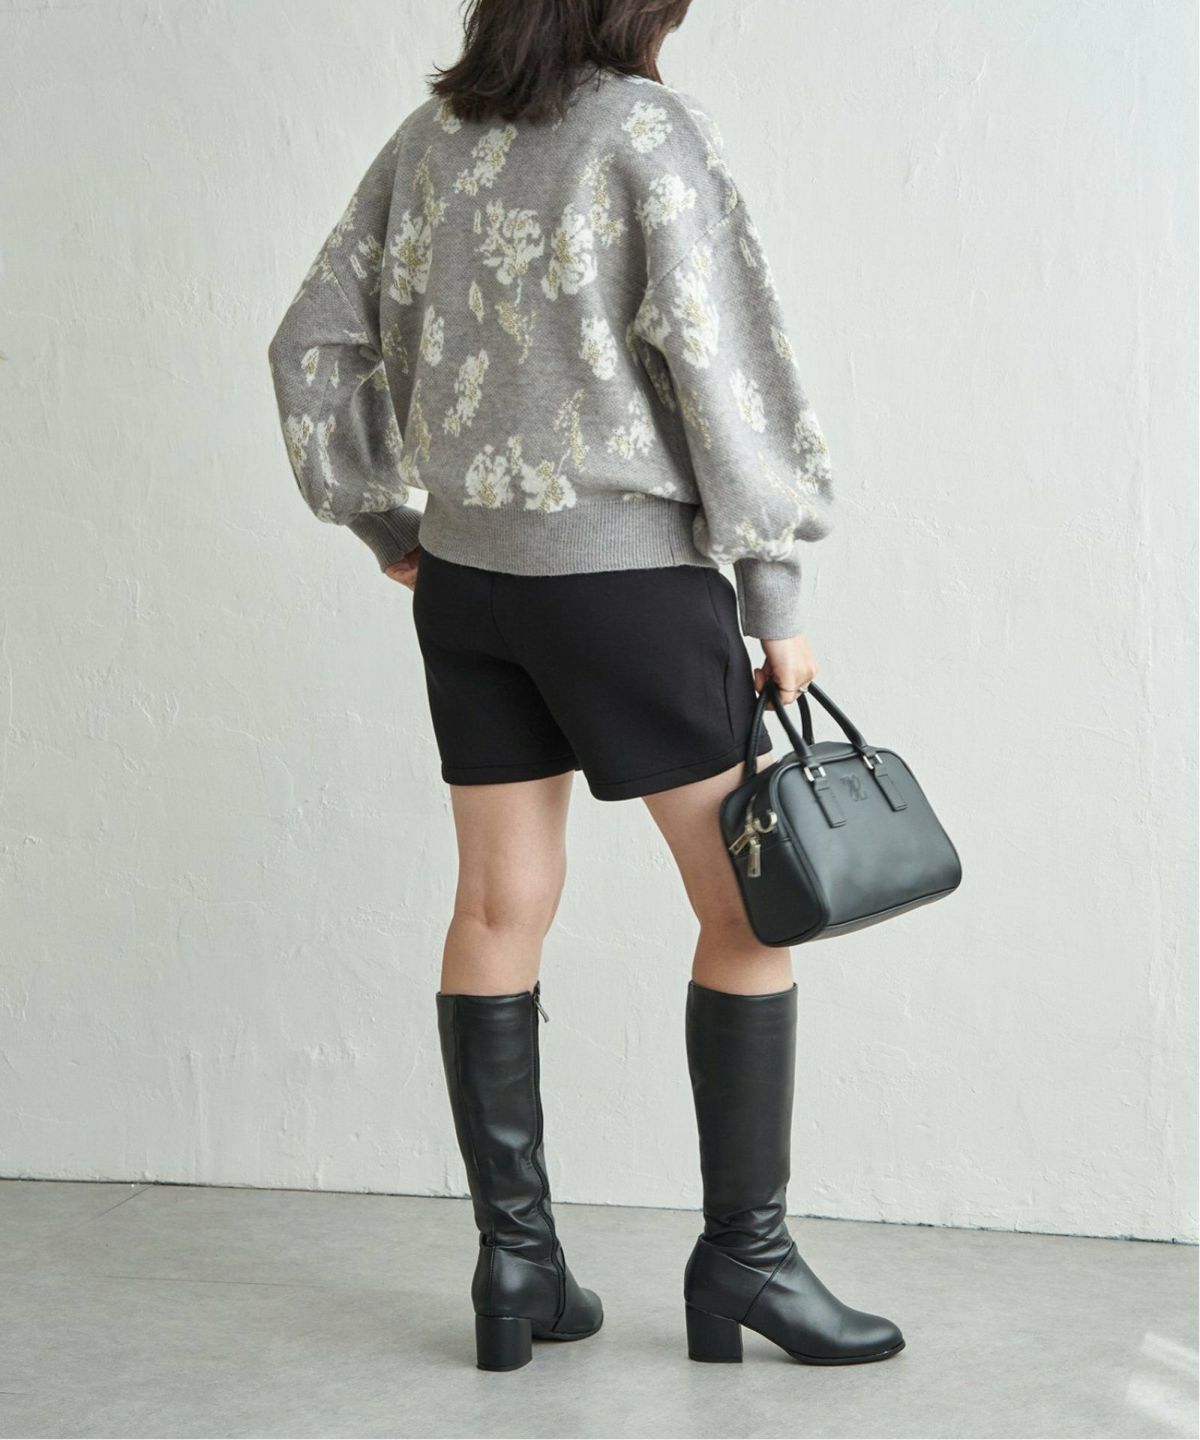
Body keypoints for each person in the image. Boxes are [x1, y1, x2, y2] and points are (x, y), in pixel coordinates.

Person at [268, 0, 903, 1374]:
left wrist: (389, 524)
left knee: (497, 909)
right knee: (752, 907)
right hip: (626, 587)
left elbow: (310, 341)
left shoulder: (432, 139)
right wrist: (775, 594)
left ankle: (519, 1266)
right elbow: (723, 372)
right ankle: (747, 1260)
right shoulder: (648, 133)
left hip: (469, 586)